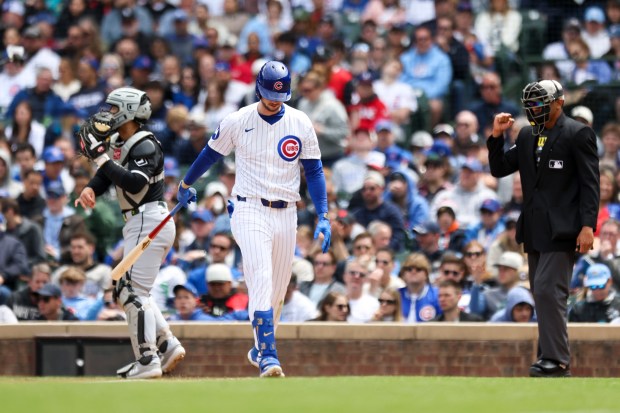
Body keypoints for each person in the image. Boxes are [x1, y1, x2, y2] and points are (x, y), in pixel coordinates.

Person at [176, 61, 331, 378]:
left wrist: (324, 214)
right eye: (268, 93)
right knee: (259, 274)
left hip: (287, 210)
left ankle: (260, 343)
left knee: (277, 289)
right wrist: (185, 183)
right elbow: (210, 153)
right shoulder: (238, 119)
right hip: (248, 206)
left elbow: (314, 170)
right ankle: (269, 355)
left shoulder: (300, 122)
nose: (275, 100)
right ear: (258, 88)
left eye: (281, 94)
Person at [488, 79, 600, 378]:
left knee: (549, 290)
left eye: (541, 103)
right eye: (531, 104)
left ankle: (557, 359)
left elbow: (591, 184)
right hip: (535, 228)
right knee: (542, 292)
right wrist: (497, 137)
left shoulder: (578, 133)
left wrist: (588, 226)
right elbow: (499, 168)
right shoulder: (525, 135)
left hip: (564, 228)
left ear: (559, 103)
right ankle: (550, 356)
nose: (535, 109)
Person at [75, 87, 187, 379]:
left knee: (130, 291)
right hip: (144, 221)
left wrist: (99, 157)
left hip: (147, 219)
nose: (108, 114)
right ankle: (167, 344)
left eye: (113, 109)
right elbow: (107, 174)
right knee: (135, 290)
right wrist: (91, 187)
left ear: (127, 111)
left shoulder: (145, 144)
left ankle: (147, 360)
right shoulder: (119, 141)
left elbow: (134, 184)